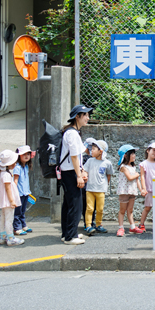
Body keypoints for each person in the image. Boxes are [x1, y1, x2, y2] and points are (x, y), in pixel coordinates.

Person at [59, 105, 92, 245]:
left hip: (70, 171)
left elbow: (78, 155)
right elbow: (73, 157)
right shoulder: (72, 133)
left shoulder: (73, 132)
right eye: (85, 115)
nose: (88, 118)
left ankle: (67, 233)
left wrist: (81, 169)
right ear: (77, 117)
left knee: (68, 203)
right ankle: (70, 237)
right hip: (70, 172)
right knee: (75, 204)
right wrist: (79, 175)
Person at [82, 140, 113, 235]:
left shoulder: (107, 163)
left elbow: (109, 174)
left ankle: (99, 225)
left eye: (94, 149)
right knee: (89, 208)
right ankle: (88, 226)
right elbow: (85, 170)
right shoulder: (90, 161)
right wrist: (84, 175)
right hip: (90, 189)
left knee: (100, 209)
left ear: (101, 151)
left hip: (100, 190)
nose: (91, 150)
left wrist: (105, 184)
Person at [115, 145, 145, 237]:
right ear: (125, 155)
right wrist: (137, 175)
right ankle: (121, 227)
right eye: (132, 153)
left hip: (132, 191)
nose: (134, 155)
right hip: (124, 191)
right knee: (122, 210)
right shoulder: (123, 167)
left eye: (134, 153)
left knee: (130, 210)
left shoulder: (133, 167)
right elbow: (130, 177)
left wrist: (141, 190)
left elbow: (137, 181)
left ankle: (132, 226)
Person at [0, 150, 24, 246]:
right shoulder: (7, 175)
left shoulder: (2, 173)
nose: (15, 163)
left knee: (3, 217)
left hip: (4, 200)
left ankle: (2, 236)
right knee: (9, 218)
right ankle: (11, 238)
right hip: (8, 201)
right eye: (14, 162)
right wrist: (12, 201)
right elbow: (8, 189)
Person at [12, 145, 33, 236]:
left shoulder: (26, 166)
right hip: (19, 193)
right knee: (17, 211)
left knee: (23, 210)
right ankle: (17, 228)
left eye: (28, 154)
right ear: (19, 156)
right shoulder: (17, 167)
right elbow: (15, 181)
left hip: (25, 192)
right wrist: (14, 192)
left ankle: (23, 225)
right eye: (24, 154)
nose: (26, 156)